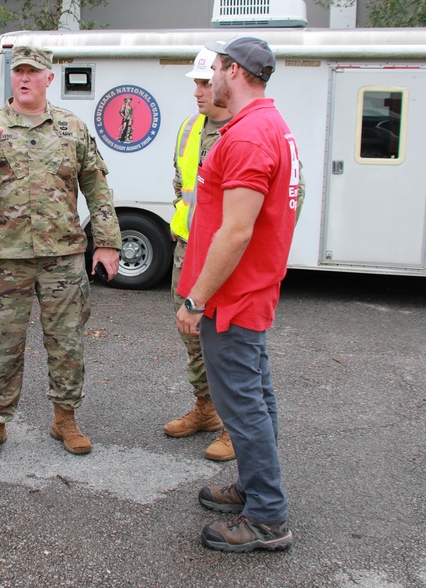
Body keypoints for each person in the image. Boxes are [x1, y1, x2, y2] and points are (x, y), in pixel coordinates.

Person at [0, 45, 121, 461]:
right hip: (4, 258)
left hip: (63, 256)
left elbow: (96, 185)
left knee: (66, 340)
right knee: (0, 341)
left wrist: (108, 242)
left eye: (33, 72)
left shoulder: (72, 128)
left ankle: (65, 417)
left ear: (48, 79)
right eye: (18, 71)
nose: (24, 78)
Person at [175, 36, 300, 553]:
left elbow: (237, 231)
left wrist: (196, 299)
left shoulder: (248, 136)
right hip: (249, 291)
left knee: (242, 406)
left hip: (232, 298)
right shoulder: (269, 126)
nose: (211, 78)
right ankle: (253, 489)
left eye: (216, 69)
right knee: (257, 398)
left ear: (233, 71)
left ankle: (268, 518)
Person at [165, 46, 236, 462]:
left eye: (206, 82)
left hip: (224, 255)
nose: (198, 91)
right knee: (190, 335)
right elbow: (181, 185)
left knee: (226, 341)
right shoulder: (190, 128)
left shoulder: (243, 130)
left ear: (225, 82)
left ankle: (233, 425)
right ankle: (206, 411)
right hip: (188, 251)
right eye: (196, 83)